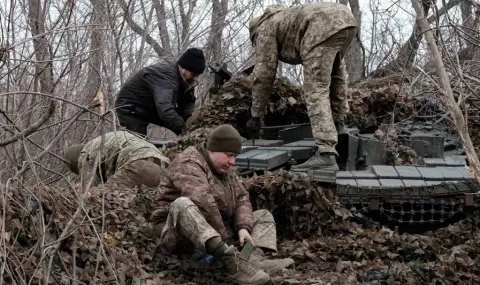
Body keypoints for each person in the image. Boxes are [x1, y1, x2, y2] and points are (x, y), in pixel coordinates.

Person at [150, 124, 293, 285]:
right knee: (182, 204)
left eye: (235, 156)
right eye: (229, 155)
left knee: (262, 215)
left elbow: (242, 198)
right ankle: (232, 264)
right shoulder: (188, 162)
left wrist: (243, 228)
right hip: (179, 233)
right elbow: (203, 203)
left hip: (216, 230)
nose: (233, 161)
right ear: (213, 149)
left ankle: (253, 258)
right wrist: (225, 240)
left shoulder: (225, 169)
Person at [246, 3, 358, 171]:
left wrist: (256, 115)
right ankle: (339, 124)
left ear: (255, 33)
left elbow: (263, 75)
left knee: (316, 88)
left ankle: (326, 153)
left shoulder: (264, 29)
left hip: (321, 26)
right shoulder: (283, 18)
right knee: (336, 75)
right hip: (346, 19)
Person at [115, 48, 206, 137]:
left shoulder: (185, 78)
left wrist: (190, 122)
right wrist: (185, 131)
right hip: (130, 107)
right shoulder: (166, 77)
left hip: (150, 104)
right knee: (137, 143)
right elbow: (165, 110)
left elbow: (187, 102)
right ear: (184, 68)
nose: (195, 78)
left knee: (180, 120)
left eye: (198, 75)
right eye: (193, 74)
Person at [64, 131, 170, 191]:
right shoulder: (100, 142)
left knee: (104, 199)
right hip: (165, 166)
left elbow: (89, 191)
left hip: (138, 164)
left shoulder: (85, 154)